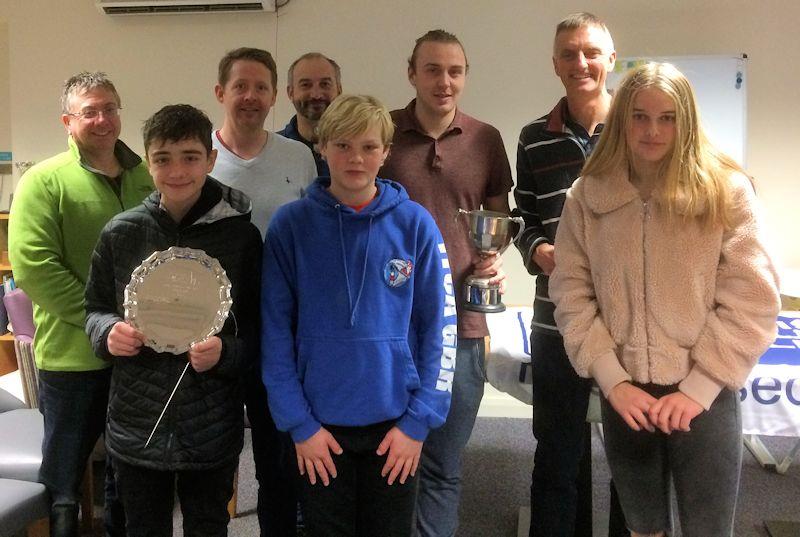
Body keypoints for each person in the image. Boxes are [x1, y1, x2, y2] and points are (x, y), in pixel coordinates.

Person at [549, 62, 780, 537]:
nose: (652, 130)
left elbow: (752, 297)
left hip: (705, 395)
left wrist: (700, 387)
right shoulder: (587, 196)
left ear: (686, 120)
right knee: (643, 528)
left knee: (709, 529)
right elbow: (571, 293)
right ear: (621, 120)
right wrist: (613, 381)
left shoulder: (725, 192)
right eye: (639, 116)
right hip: (627, 396)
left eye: (667, 117)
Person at [261, 94, 456, 537]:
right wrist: (299, 424)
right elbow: (274, 335)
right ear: (322, 147)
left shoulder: (415, 224)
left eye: (369, 146)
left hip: (396, 427)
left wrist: (419, 421)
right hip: (318, 429)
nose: (355, 157)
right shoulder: (290, 227)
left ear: (386, 153)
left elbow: (441, 329)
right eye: (343, 145)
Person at [84, 104, 262, 536]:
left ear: (212, 159)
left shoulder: (241, 237)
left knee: (207, 526)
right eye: (163, 158)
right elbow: (94, 309)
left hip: (210, 423)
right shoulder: (121, 232)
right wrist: (108, 333)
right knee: (143, 527)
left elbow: (260, 329)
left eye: (190, 157)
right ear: (148, 162)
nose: (177, 170)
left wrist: (227, 352)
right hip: (136, 421)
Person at [379, 29, 513, 536]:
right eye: (432, 69)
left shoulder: (486, 139)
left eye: (454, 71)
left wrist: (493, 260)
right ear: (411, 72)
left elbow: (496, 223)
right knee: (389, 459)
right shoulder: (383, 132)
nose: (444, 81)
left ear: (465, 77)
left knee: (442, 464)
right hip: (391, 323)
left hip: (464, 322)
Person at [8, 71, 153, 537]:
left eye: (110, 107)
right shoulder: (43, 180)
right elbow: (34, 267)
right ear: (67, 121)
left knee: (128, 469)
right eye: (89, 111)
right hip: (73, 358)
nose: (103, 119)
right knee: (66, 479)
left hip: (139, 353)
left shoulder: (144, 176)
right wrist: (100, 322)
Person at [513, 12, 627, 536]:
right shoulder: (533, 137)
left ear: (610, 58)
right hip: (555, 318)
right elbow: (524, 217)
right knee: (557, 451)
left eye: (590, 52)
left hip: (630, 321)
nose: (579, 62)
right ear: (555, 64)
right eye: (568, 53)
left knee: (633, 453)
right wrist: (537, 249)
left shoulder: (637, 130)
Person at [212, 46, 316, 536]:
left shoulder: (298, 156)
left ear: (276, 96)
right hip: (212, 333)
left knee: (278, 462)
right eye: (240, 86)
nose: (250, 96)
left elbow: (314, 239)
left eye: (260, 88)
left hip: (279, 331)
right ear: (220, 93)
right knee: (213, 457)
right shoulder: (202, 160)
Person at [278, 52, 343, 176]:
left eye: (325, 84)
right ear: (290, 92)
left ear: (339, 90)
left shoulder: (358, 152)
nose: (316, 95)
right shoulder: (271, 151)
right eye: (306, 85)